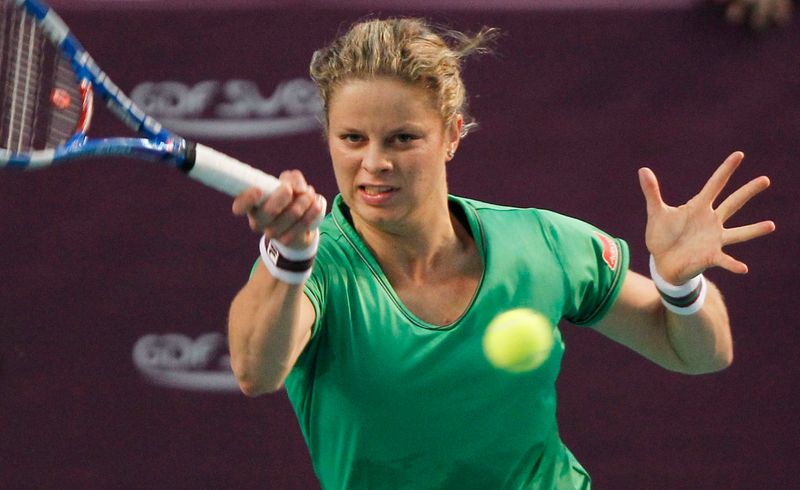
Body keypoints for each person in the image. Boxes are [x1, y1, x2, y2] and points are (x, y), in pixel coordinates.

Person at [227, 18, 775, 489]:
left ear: (451, 135)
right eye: (352, 138)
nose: (374, 163)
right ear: (328, 138)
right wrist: (290, 258)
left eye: (402, 139)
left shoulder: (544, 243)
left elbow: (701, 353)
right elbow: (256, 371)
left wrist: (679, 287)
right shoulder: (311, 267)